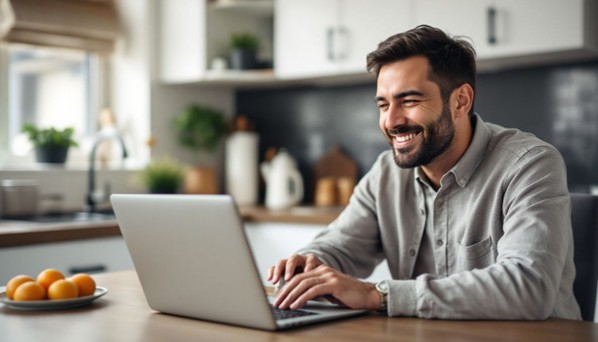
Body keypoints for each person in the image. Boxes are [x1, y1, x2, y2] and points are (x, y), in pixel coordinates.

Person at [267, 25, 582, 320]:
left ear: (461, 101)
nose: (391, 121)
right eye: (383, 105)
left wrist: (380, 295)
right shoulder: (386, 173)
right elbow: (341, 244)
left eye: (409, 100)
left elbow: (528, 286)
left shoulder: (530, 165)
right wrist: (309, 262)